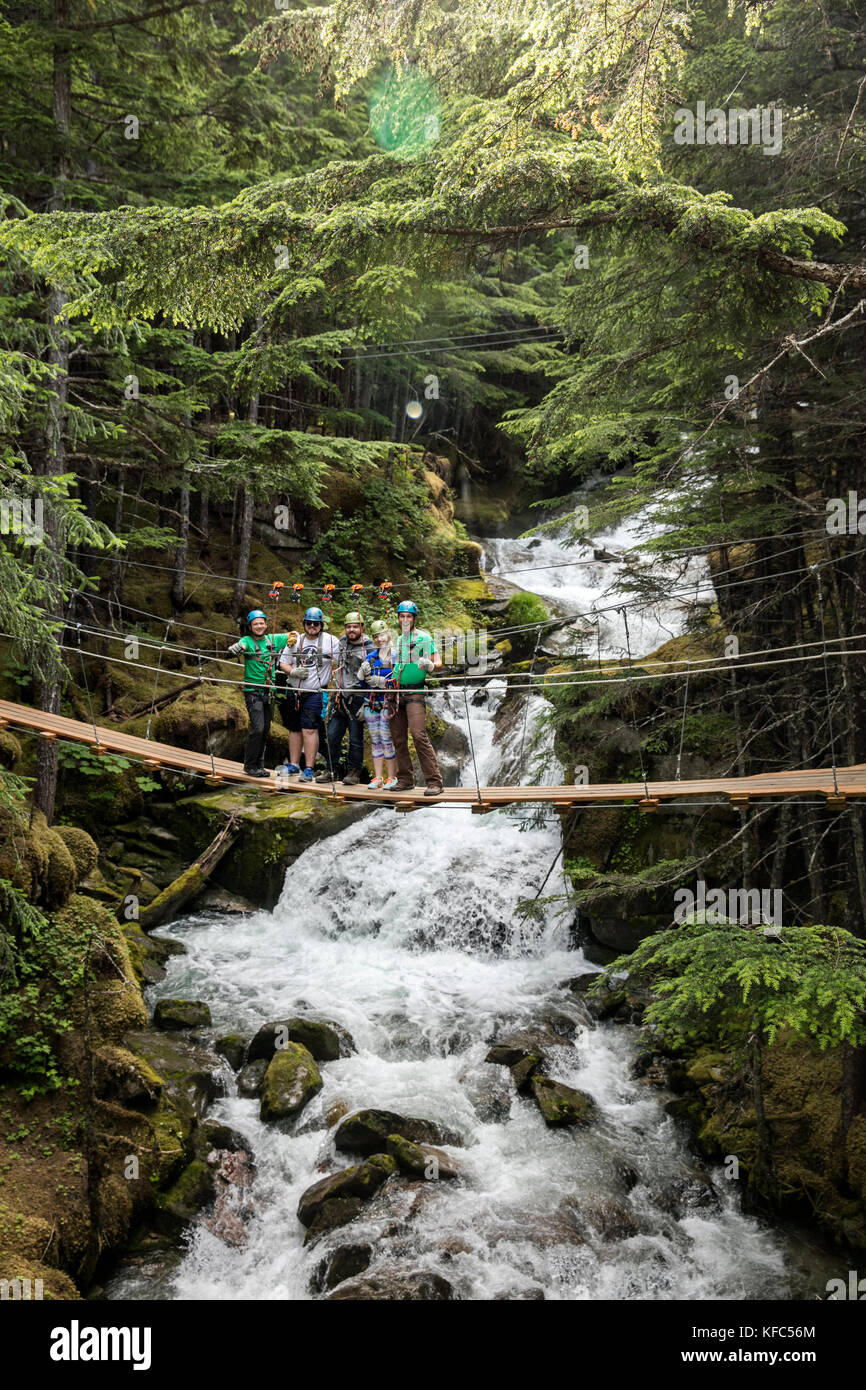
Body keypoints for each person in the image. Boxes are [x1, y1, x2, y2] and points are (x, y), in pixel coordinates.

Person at [228, 610, 298, 778]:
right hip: (253, 692)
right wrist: (236, 648)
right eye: (255, 624)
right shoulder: (247, 641)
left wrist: (292, 637)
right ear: (251, 626)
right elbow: (238, 647)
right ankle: (250, 765)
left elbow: (293, 634)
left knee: (265, 729)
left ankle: (259, 764)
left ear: (266, 624)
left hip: (270, 692)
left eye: (261, 623)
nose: (259, 626)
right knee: (258, 728)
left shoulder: (272, 639)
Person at [277, 607, 340, 781]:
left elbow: (342, 659)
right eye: (309, 623)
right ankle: (294, 765)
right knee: (294, 729)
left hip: (316, 692)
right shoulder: (295, 640)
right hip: (294, 691)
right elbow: (283, 663)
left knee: (310, 729)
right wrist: (293, 672)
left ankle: (309, 768)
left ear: (321, 625)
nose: (312, 626)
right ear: (304, 623)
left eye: (315, 623)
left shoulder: (330, 641)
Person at [388, 599, 444, 797]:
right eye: (402, 616)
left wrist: (430, 665)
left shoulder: (424, 638)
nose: (405, 619)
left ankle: (434, 781)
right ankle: (405, 779)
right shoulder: (399, 640)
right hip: (395, 693)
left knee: (419, 735)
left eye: (408, 616)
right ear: (398, 618)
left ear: (414, 619)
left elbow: (438, 662)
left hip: (415, 692)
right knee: (398, 738)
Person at [316, 610, 376, 785]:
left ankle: (354, 771)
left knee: (355, 738)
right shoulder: (342, 643)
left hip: (358, 697)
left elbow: (373, 677)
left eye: (355, 627)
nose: (351, 630)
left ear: (362, 628)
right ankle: (331, 770)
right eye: (349, 627)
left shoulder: (369, 649)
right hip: (339, 696)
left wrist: (366, 703)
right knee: (333, 735)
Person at [356, 619, 398, 790]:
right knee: (375, 740)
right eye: (375, 637)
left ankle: (392, 777)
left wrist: (382, 682)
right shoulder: (371, 657)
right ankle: (378, 777)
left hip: (387, 702)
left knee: (387, 739)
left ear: (388, 634)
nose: (379, 639)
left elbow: (399, 681)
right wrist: (363, 673)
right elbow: (363, 683)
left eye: (381, 635)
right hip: (371, 703)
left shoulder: (396, 656)